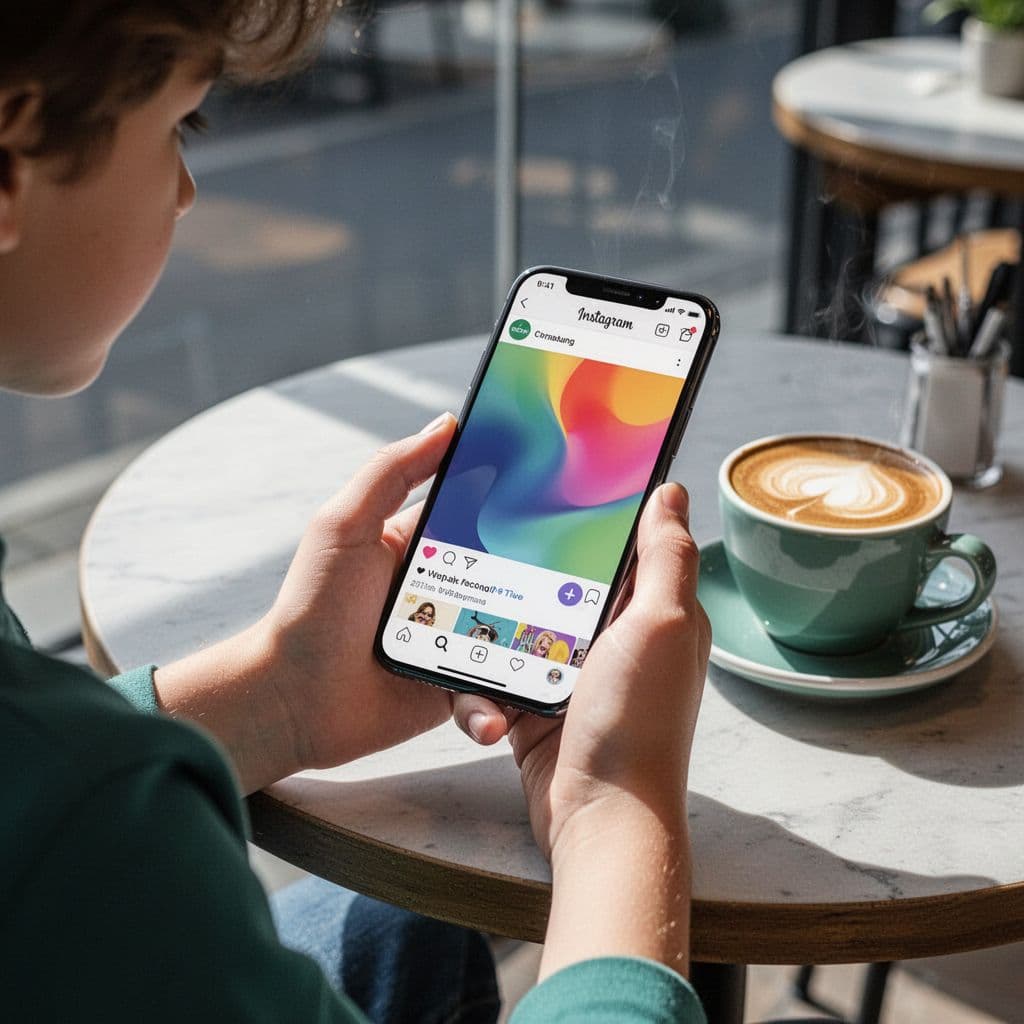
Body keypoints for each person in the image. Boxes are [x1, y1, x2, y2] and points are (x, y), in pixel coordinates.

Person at [0, 4, 712, 1022]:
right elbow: (57, 822)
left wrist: (279, 693)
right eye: (179, 127)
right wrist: (617, 814)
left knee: (396, 916)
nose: (189, 188)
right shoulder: (100, 830)